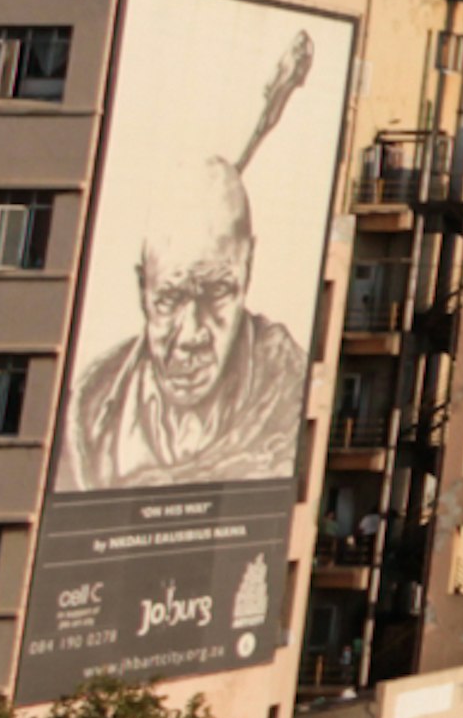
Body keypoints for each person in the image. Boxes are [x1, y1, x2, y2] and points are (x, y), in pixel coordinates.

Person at [63, 156, 311, 490]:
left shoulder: (290, 393)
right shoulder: (90, 411)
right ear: (142, 288)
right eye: (170, 298)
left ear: (247, 270)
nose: (192, 334)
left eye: (218, 292)